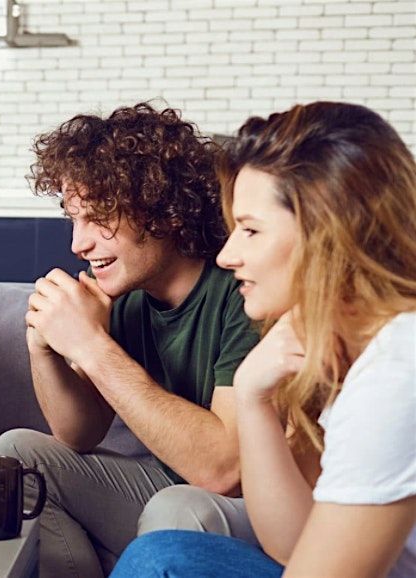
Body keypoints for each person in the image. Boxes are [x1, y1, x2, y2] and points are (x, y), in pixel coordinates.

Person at [113, 102, 416, 577]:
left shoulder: (397, 371)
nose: (227, 255)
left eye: (251, 230)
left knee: (158, 562)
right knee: (164, 555)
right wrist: (252, 393)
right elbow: (292, 543)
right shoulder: (346, 353)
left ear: (330, 236)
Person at [0, 103, 261, 577]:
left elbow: (224, 471)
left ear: (163, 210)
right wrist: (45, 345)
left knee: (176, 509)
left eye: (97, 219)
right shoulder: (130, 297)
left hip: (253, 508)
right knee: (17, 455)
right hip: (167, 486)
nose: (78, 243)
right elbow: (79, 433)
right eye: (73, 219)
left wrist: (93, 346)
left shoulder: (242, 290)